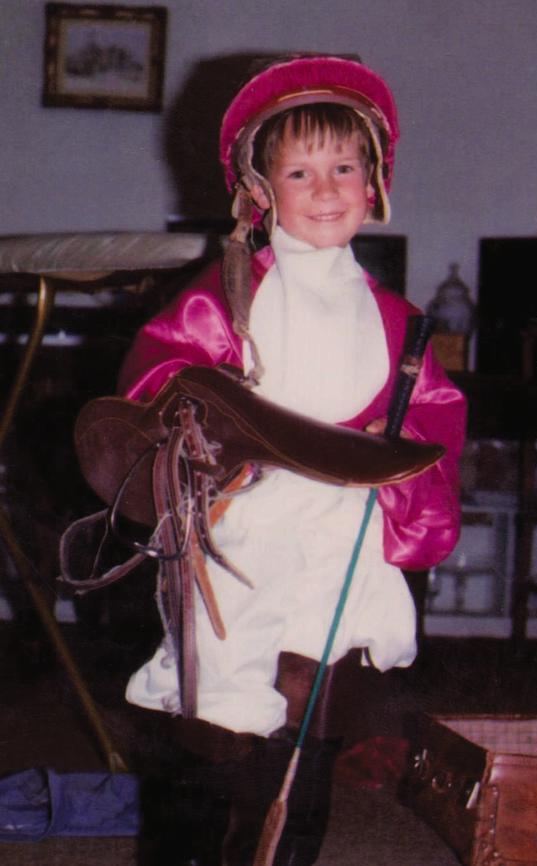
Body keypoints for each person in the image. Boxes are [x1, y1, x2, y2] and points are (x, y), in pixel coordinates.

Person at [118, 54, 466, 866]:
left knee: (311, 703)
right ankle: (197, 842)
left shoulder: (394, 319)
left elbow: (433, 417)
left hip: (339, 528)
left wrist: (402, 480)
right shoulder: (229, 295)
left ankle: (288, 841)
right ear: (259, 192)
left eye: (345, 166)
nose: (326, 188)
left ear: (376, 181)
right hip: (245, 529)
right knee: (223, 703)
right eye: (301, 172)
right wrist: (203, 430)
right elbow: (161, 372)